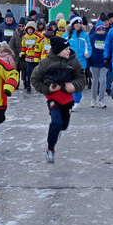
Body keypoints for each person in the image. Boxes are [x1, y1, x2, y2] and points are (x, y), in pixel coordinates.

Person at [31, 36, 86, 164]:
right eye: (66, 49)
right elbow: (34, 79)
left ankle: (58, 130)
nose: (68, 51)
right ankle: (50, 149)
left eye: (68, 48)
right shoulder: (45, 63)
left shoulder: (74, 62)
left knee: (63, 125)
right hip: (53, 98)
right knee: (55, 122)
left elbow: (82, 79)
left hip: (67, 99)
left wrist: (74, 86)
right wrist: (48, 89)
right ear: (57, 51)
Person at [63, 15, 91, 110]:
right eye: (76, 23)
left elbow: (88, 46)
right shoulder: (66, 35)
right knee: (68, 82)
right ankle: (69, 101)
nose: (78, 25)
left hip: (81, 63)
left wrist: (87, 53)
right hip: (68, 62)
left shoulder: (84, 35)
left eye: (80, 23)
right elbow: (60, 46)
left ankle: (76, 101)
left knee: (77, 83)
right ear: (72, 24)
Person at [89, 20, 109, 108]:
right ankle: (93, 98)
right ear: (96, 30)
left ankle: (101, 99)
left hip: (104, 63)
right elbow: (89, 50)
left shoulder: (107, 38)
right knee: (95, 81)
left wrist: (107, 59)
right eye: (99, 30)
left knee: (103, 80)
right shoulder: (92, 38)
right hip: (94, 62)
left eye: (102, 30)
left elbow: (109, 48)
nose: (101, 32)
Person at [20, 21, 42, 92]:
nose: (29, 31)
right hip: (28, 57)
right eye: (28, 29)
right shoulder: (25, 36)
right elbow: (23, 45)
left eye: (31, 29)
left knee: (36, 72)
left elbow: (40, 46)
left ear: (33, 29)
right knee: (28, 71)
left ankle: (37, 85)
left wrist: (39, 56)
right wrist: (23, 53)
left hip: (35, 57)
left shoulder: (37, 36)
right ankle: (28, 85)